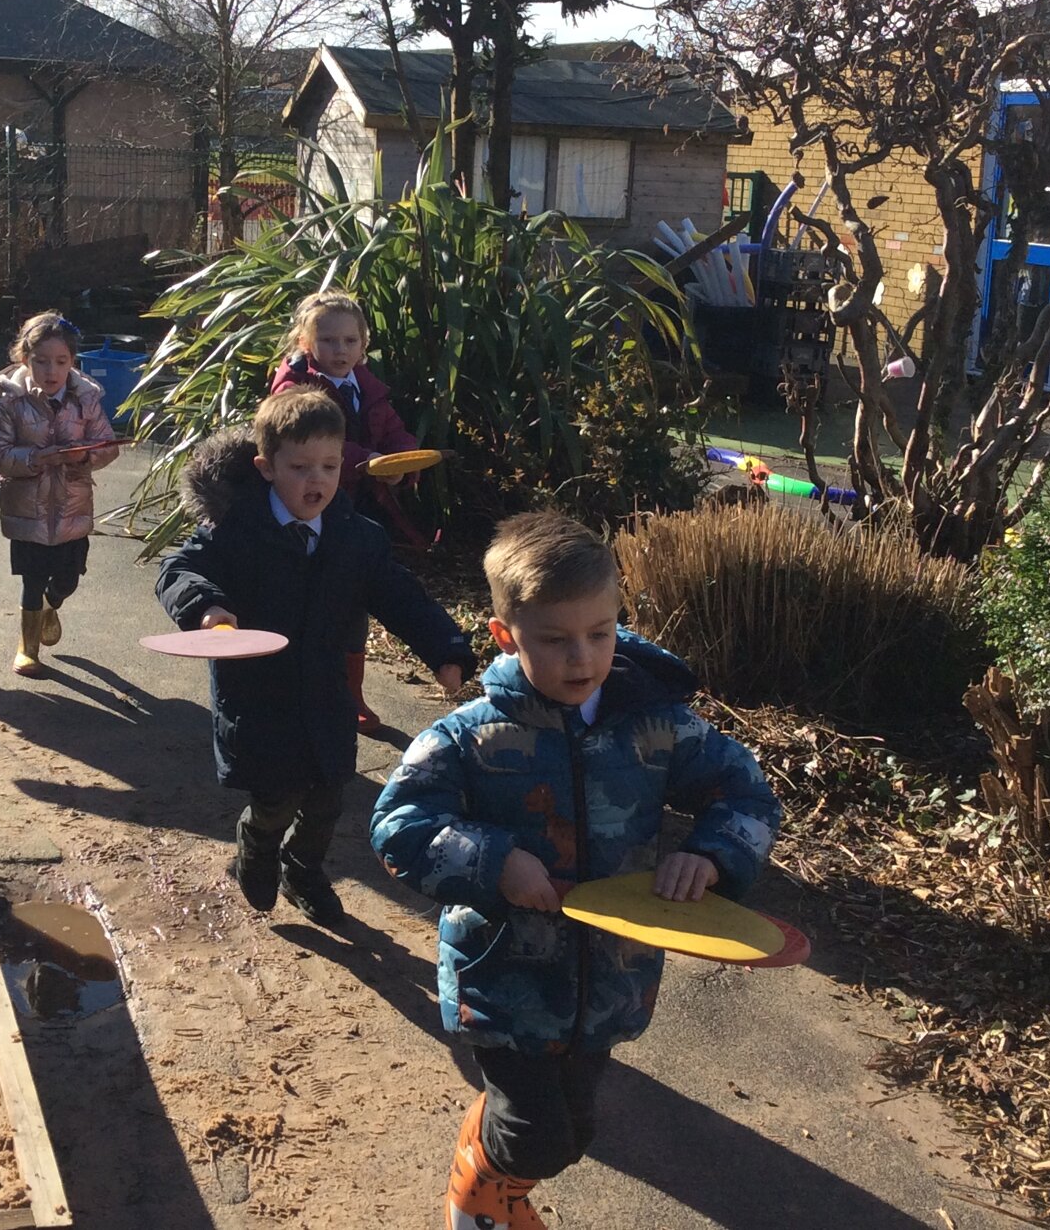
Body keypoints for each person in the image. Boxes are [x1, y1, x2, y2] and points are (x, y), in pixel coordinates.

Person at [371, 512, 782, 1230]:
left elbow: (747, 792)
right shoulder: (469, 738)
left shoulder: (658, 724)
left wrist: (711, 856)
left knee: (576, 1133)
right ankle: (479, 1189)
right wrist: (495, 861)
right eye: (555, 640)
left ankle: (501, 1158)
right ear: (505, 636)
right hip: (504, 982)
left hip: (613, 983)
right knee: (536, 1135)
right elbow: (398, 823)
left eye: (601, 632)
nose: (582, 657)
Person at [155, 389, 472, 927]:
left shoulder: (354, 537)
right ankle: (257, 840)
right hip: (258, 695)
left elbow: (400, 595)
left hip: (326, 692)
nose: (316, 480)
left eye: (328, 466)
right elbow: (179, 568)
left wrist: (445, 649)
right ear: (266, 467)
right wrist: (207, 608)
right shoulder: (236, 529)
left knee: (328, 797)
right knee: (276, 796)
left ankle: (302, 869)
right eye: (299, 467)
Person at [269, 291, 431, 733]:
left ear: (364, 344)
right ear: (305, 342)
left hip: (359, 511)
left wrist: (404, 461)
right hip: (312, 507)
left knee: (355, 599)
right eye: (327, 340)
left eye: (349, 340)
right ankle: (293, 689)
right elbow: (314, 445)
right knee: (309, 602)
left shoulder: (367, 386)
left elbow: (395, 431)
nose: (339, 350)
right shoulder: (295, 388)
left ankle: (351, 694)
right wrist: (370, 463)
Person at [0, 311, 119, 677]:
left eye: (60, 361)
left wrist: (86, 455)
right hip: (27, 506)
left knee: (69, 577)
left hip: (72, 504)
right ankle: (27, 648)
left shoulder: (85, 398)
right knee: (31, 577)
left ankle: (51, 603)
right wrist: (33, 458)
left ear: (72, 362)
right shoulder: (10, 401)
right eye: (41, 361)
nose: (51, 370)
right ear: (25, 360)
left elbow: (108, 445)